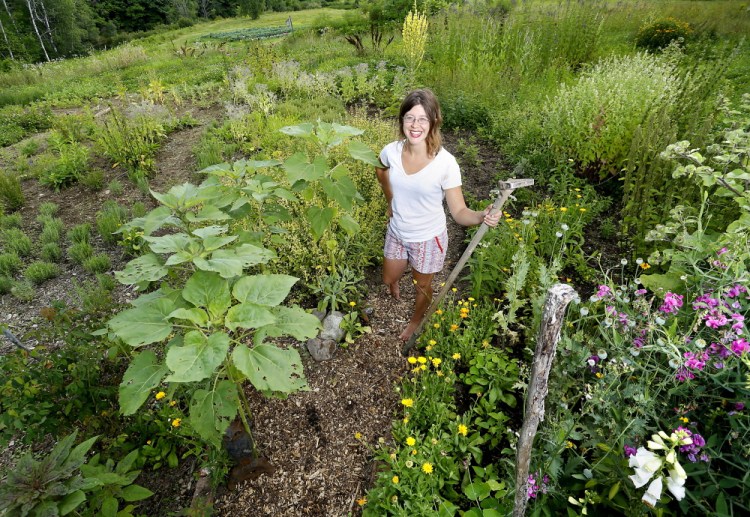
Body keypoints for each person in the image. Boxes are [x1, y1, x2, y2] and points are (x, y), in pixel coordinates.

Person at [375, 89, 500, 342]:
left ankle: (415, 320)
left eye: (422, 119)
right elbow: (381, 170)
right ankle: (396, 282)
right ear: (402, 120)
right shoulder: (391, 151)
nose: (415, 125)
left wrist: (480, 216)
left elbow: (459, 212)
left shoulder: (446, 164)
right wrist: (391, 201)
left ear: (433, 121)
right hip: (398, 232)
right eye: (410, 117)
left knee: (422, 285)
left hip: (427, 238)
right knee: (388, 277)